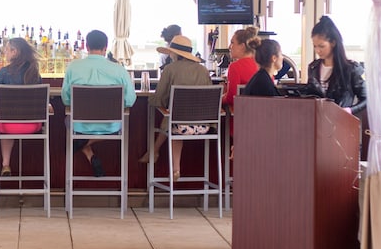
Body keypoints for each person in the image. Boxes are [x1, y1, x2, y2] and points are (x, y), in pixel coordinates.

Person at [61, 29, 137, 177]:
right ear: (105, 48)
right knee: (123, 124)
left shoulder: (73, 67)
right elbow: (130, 100)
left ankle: (84, 146)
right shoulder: (119, 70)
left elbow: (66, 99)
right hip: (111, 126)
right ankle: (86, 147)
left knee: (67, 121)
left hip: (80, 125)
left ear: (87, 47)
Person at [140, 35, 213, 174]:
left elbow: (158, 98)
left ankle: (158, 154)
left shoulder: (170, 69)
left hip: (179, 125)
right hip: (205, 127)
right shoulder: (203, 70)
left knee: (173, 120)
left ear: (175, 53)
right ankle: (164, 159)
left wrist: (153, 101)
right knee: (176, 120)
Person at [0, 37, 43, 176]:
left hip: (8, 125)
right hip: (32, 125)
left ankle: (5, 164)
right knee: (7, 119)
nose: (5, 53)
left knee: (5, 120)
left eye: (7, 50)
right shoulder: (34, 73)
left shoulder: (4, 72)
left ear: (14, 52)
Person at [306, 16, 367, 115]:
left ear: (333, 43)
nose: (317, 50)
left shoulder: (351, 69)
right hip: (317, 122)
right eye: (315, 46)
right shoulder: (313, 68)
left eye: (321, 46)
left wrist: (350, 110)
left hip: (341, 122)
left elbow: (366, 99)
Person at [222, 26, 261, 109]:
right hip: (260, 114)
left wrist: (219, 98)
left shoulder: (235, 67)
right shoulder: (262, 64)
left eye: (232, 43)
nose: (229, 47)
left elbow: (231, 99)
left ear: (242, 46)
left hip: (240, 116)